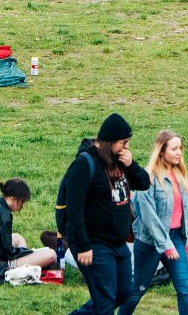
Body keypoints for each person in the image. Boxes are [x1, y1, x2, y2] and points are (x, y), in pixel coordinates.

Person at [57, 113, 151, 315]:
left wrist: (131, 164)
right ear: (109, 141)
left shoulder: (119, 161)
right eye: (123, 143)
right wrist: (83, 246)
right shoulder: (84, 165)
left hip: (118, 243)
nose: (126, 147)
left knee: (123, 293)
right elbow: (74, 209)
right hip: (94, 243)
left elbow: (144, 183)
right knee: (105, 301)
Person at [120, 131, 188, 315]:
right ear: (161, 151)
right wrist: (165, 245)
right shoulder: (148, 178)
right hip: (150, 241)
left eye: (180, 148)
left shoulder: (179, 175)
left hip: (175, 237)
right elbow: (148, 217)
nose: (179, 153)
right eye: (174, 149)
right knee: (137, 290)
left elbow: (185, 212)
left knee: (186, 290)